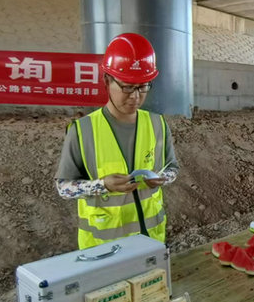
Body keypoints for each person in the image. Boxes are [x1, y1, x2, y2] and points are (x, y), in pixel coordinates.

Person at [55, 32, 179, 250]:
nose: (135, 96)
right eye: (127, 87)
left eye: (143, 87)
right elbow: (64, 188)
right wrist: (103, 185)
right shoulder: (82, 131)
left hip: (152, 242)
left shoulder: (157, 124)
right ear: (106, 81)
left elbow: (173, 169)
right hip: (103, 249)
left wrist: (162, 178)